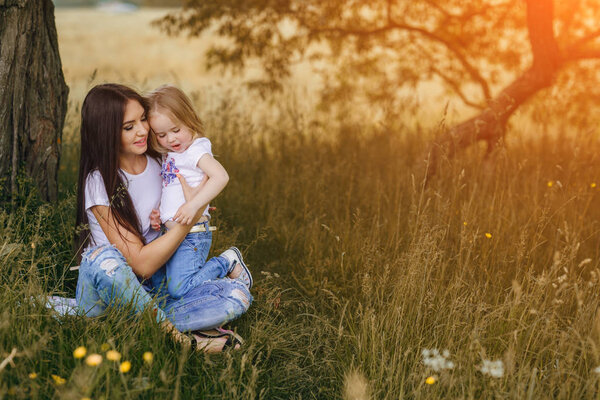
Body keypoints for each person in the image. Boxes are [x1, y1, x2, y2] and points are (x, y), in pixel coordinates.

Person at [74, 83, 252, 353]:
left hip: (152, 290)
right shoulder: (99, 181)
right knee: (106, 259)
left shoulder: (161, 164)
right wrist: (187, 219)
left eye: (143, 119)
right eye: (129, 126)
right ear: (106, 133)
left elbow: (177, 204)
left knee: (236, 296)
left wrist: (193, 206)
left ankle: (131, 324)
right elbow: (141, 265)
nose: (144, 130)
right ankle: (183, 339)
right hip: (109, 287)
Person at [145, 85, 252, 300]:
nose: (171, 139)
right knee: (160, 285)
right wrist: (161, 213)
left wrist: (194, 205)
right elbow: (173, 188)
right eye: (162, 135)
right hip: (172, 234)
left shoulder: (195, 150)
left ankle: (226, 262)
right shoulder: (173, 153)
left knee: (180, 289)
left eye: (176, 130)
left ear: (189, 119)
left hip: (193, 233)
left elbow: (221, 177)